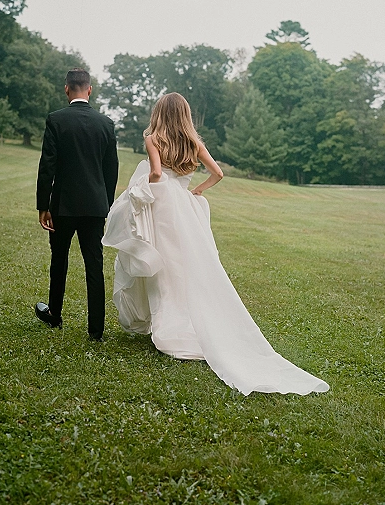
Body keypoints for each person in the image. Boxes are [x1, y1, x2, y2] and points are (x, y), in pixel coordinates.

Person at [103, 92, 329, 395]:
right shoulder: (194, 143)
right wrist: (195, 191)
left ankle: (170, 325)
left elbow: (156, 173)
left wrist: (148, 193)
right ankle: (191, 322)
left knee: (163, 265)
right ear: (185, 115)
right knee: (187, 265)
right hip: (184, 205)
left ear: (159, 113)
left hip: (163, 205)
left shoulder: (154, 138)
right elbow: (218, 173)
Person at [35, 68, 118, 340]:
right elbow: (111, 170)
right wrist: (104, 203)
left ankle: (54, 314)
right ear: (90, 89)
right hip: (95, 207)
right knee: (94, 265)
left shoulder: (56, 120)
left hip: (62, 206)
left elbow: (48, 165)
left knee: (58, 260)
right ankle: (96, 330)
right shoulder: (105, 124)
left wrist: (43, 205)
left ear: (67, 89)